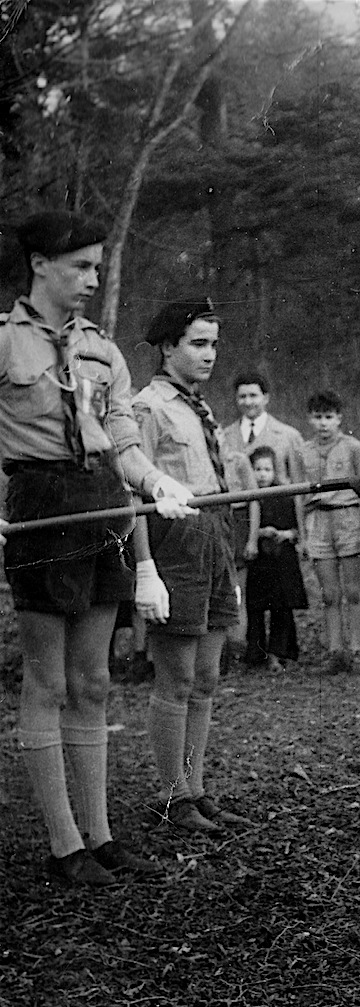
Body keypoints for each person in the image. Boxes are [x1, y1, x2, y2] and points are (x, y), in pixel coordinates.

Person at [2, 211, 195, 884]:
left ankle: (102, 836)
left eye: (96, 267)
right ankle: (64, 847)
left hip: (103, 504)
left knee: (93, 680)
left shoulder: (103, 350)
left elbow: (124, 442)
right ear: (39, 264)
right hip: (39, 508)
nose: (91, 278)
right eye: (80, 266)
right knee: (47, 680)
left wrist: (155, 481)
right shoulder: (4, 343)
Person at [133, 298, 251, 834]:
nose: (209, 355)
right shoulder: (148, 406)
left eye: (214, 345)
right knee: (177, 677)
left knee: (206, 676)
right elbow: (133, 491)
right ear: (167, 348)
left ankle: (194, 787)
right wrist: (145, 568)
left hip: (215, 535)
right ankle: (171, 795)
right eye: (198, 344)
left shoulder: (200, 407)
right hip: (175, 542)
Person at [292, 390, 360, 674]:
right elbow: (298, 496)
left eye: (329, 417)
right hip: (318, 522)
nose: (323, 423)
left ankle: (356, 650)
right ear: (309, 419)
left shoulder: (352, 447)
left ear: (339, 418)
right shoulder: (303, 451)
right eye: (318, 418)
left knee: (352, 591)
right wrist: (303, 536)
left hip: (348, 518)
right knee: (329, 594)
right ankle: (334, 651)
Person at [244, 445, 307, 672]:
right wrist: (259, 533)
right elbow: (244, 528)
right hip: (259, 559)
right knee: (256, 606)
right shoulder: (247, 496)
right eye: (257, 469)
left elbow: (296, 527)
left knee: (282, 606)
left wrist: (286, 534)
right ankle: (256, 652)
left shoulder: (283, 495)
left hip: (281, 558)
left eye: (267, 469)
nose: (262, 475)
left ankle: (280, 652)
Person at [222, 370, 303, 482]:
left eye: (253, 396)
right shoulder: (225, 436)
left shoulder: (289, 436)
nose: (248, 402)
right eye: (242, 396)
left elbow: (299, 482)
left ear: (266, 398)